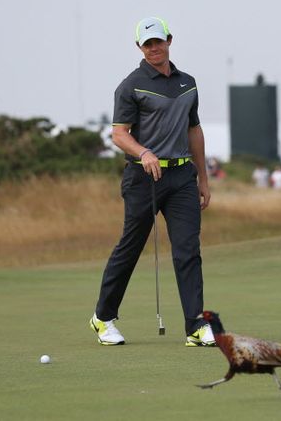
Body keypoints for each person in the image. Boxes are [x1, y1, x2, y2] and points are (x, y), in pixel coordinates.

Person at [90, 17, 215, 347]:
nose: (154, 48)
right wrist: (144, 152)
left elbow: (194, 131)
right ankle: (103, 318)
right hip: (143, 178)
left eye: (158, 41)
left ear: (169, 40)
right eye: (147, 44)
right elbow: (119, 134)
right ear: (139, 48)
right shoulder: (130, 86)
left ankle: (196, 326)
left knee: (188, 250)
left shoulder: (188, 83)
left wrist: (203, 177)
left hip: (181, 177)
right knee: (130, 248)